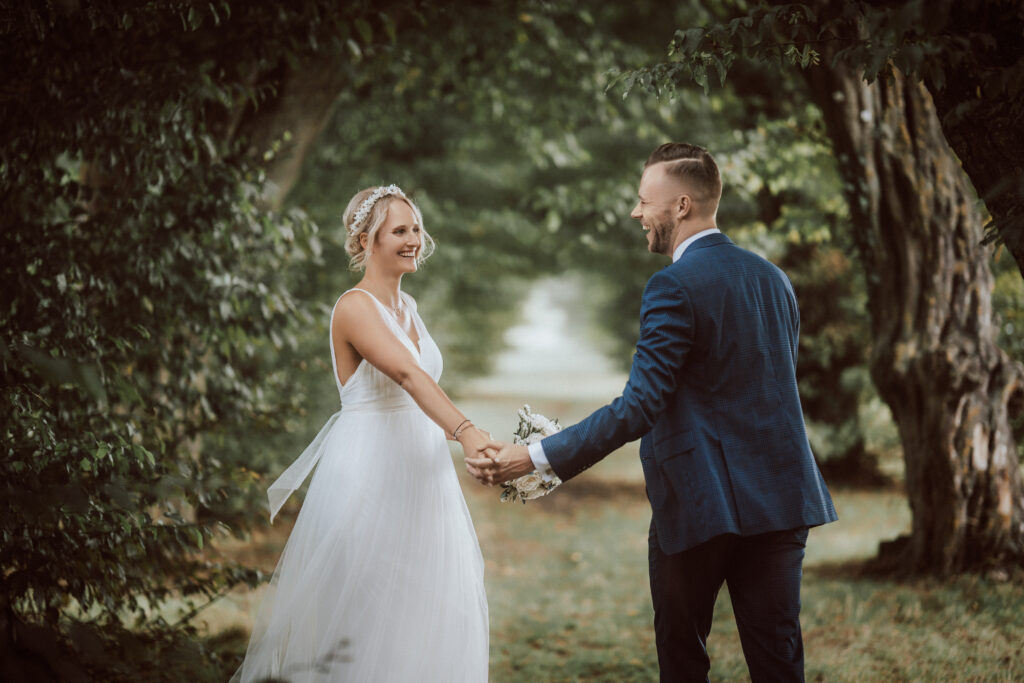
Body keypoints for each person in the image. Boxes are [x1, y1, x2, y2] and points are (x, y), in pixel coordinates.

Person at [470, 143, 837, 682]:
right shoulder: (774, 280)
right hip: (780, 498)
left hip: (697, 500)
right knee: (779, 660)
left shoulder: (673, 285)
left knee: (683, 660)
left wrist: (536, 456)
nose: (636, 212)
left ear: (682, 205)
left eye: (645, 200)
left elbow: (640, 405)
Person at [232, 185, 490, 682]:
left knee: (425, 603)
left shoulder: (408, 306)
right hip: (370, 471)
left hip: (423, 473)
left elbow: (423, 388)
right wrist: (465, 429)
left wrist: (466, 439)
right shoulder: (353, 306)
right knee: (368, 605)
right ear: (365, 242)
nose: (414, 239)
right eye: (399, 230)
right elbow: (409, 376)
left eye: (415, 228)